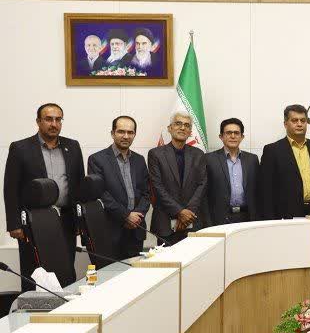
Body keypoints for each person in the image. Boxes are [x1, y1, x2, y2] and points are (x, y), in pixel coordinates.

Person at [3, 103, 84, 287]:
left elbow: (79, 185)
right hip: (33, 221)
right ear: (38, 121)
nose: (54, 124)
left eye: (58, 119)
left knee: (65, 271)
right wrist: (14, 224)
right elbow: (10, 188)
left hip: (66, 220)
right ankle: (32, 305)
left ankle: (66, 303)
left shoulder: (72, 146)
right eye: (48, 119)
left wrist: (80, 221)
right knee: (34, 273)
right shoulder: (20, 148)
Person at [87, 116, 151, 266]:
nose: (126, 136)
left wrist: (136, 216)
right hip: (110, 230)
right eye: (121, 131)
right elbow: (100, 194)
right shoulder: (97, 159)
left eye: (130, 132)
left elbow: (146, 193)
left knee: (134, 274)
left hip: (136, 230)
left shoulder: (139, 160)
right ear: (112, 133)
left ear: (134, 134)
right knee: (110, 275)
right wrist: (126, 215)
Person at [261, 105, 310, 219]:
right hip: (286, 213)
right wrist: (270, 220)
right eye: (294, 120)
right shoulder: (272, 150)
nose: (299, 124)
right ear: (285, 124)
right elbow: (266, 190)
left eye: (303, 120)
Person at [147, 112, 208, 243]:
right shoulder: (156, 154)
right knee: (166, 256)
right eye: (178, 124)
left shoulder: (198, 154)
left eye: (187, 125)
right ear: (170, 128)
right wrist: (180, 212)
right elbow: (157, 187)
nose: (182, 127)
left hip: (192, 220)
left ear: (190, 132)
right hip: (165, 221)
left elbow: (202, 184)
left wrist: (188, 213)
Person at [205, 118, 261, 225]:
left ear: (242, 137)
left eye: (236, 133)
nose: (233, 136)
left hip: (248, 217)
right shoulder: (209, 159)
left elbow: (258, 190)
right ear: (221, 136)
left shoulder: (252, 159)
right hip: (219, 218)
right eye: (228, 133)